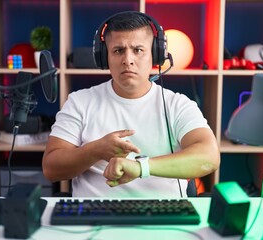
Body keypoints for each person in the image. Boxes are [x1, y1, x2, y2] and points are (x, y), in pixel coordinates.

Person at [42, 11, 220, 198]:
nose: (128, 60)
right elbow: (51, 168)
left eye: (138, 50)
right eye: (118, 50)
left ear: (155, 55)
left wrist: (141, 167)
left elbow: (209, 156)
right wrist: (95, 150)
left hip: (163, 216)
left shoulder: (178, 104)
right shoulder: (79, 101)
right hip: (95, 215)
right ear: (105, 57)